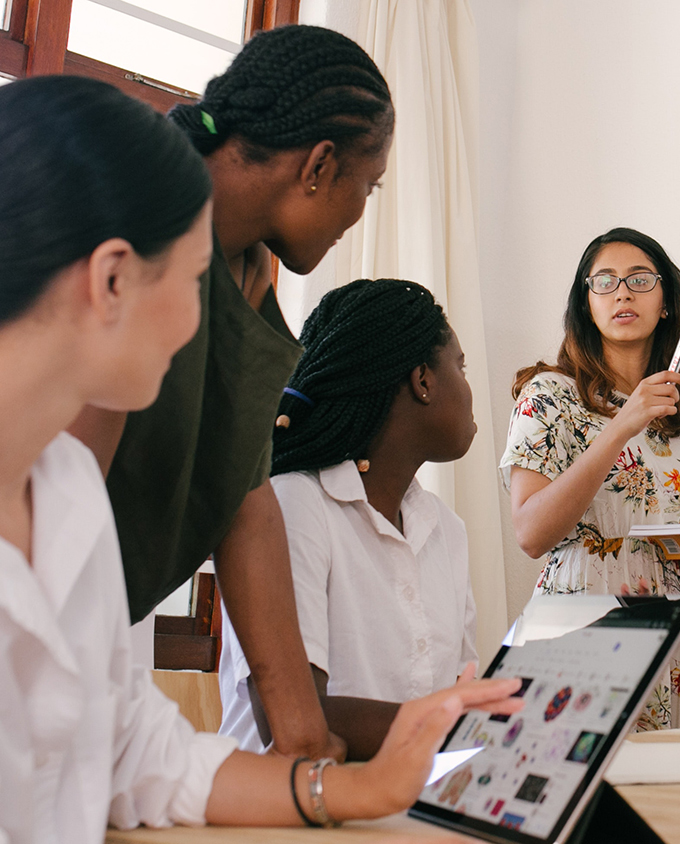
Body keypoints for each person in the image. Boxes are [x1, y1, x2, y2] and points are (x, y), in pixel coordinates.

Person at [0, 74, 520, 843]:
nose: (206, 324)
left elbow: (144, 754)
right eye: (189, 282)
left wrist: (362, 784)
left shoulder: (71, 492)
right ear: (112, 280)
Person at [67, 24, 395, 761]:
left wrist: (305, 738)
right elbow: (64, 493)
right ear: (318, 166)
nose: (359, 214)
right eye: (366, 187)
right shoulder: (141, 216)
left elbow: (246, 504)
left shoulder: (246, 273)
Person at [219, 279, 481, 762]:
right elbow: (290, 720)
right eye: (460, 366)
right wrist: (463, 723)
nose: (469, 388)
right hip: (279, 817)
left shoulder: (446, 528)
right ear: (423, 380)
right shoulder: (294, 505)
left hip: (399, 807)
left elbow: (461, 692)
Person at [502, 227, 680, 730]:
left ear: (665, 303)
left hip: (673, 633)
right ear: (586, 304)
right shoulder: (549, 395)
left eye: (640, 279)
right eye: (605, 282)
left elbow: (678, 558)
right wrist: (621, 425)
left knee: (673, 798)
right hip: (583, 621)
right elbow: (531, 534)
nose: (622, 292)